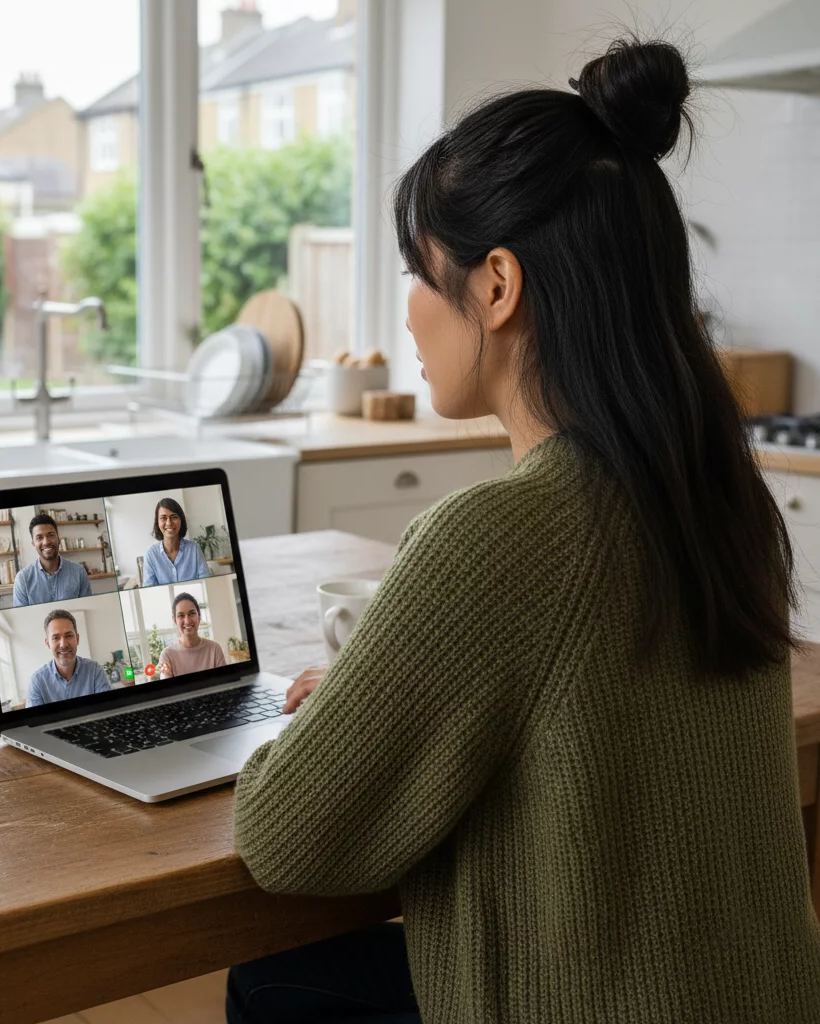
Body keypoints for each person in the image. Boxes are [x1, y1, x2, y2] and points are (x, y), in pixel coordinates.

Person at [226, 37, 820, 1024]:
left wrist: (336, 725)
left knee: (269, 989)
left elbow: (285, 838)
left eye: (419, 271)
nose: (408, 312)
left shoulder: (492, 537)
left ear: (495, 286)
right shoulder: (716, 496)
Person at [26, 608, 111, 707]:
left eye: (69, 636)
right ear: (48, 644)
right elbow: (36, 721)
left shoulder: (95, 670)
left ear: (77, 639)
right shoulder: (37, 681)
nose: (63, 644)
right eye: (56, 638)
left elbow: (107, 709)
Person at [13, 514, 92, 607]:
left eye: (50, 535)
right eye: (39, 537)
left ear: (58, 538)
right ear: (33, 543)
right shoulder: (23, 579)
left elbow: (87, 607)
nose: (46, 542)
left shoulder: (79, 572)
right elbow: (23, 617)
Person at [142, 498, 212, 587]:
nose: (169, 523)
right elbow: (149, 591)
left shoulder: (194, 549)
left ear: (181, 520)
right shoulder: (151, 554)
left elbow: (207, 584)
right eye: (163, 518)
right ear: (157, 522)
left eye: (174, 517)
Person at [157, 592, 226, 679]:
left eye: (191, 613)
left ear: (199, 617)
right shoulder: (167, 655)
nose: (187, 621)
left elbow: (224, 683)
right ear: (175, 621)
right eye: (181, 616)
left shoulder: (214, 649)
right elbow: (167, 691)